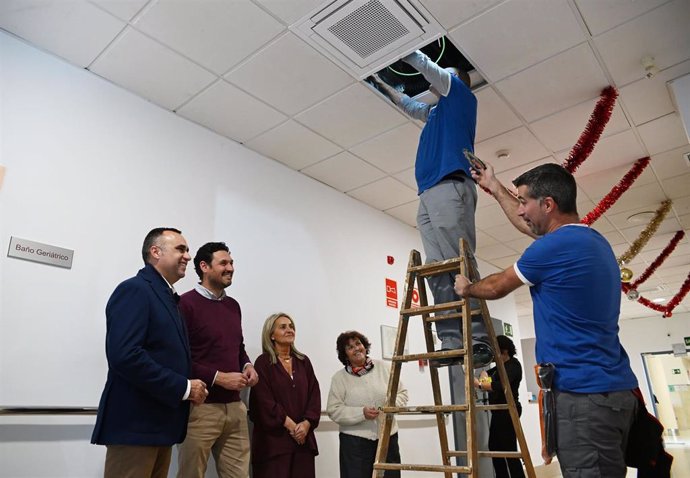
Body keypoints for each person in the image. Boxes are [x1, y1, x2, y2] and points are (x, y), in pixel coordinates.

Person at [454, 163, 638, 477]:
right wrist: (495, 187)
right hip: (613, 392)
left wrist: (468, 288)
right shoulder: (593, 243)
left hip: (584, 398)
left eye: (524, 201)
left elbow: (498, 285)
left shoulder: (552, 248)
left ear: (548, 204)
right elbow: (533, 227)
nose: (521, 210)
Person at [371, 50, 480, 360]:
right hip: (430, 191)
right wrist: (379, 82)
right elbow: (407, 104)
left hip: (450, 184)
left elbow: (430, 69)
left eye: (447, 75)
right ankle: (449, 338)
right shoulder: (436, 114)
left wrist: (406, 51)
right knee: (436, 268)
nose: (438, 80)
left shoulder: (461, 98)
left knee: (458, 261)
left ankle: (478, 338)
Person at [91, 227, 208, 478]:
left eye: (187, 250)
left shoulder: (167, 297)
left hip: (158, 426)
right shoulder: (135, 290)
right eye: (180, 249)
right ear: (155, 252)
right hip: (136, 427)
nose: (187, 256)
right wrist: (184, 387)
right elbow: (125, 355)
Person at [176, 242, 259, 478]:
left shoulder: (233, 306)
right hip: (199, 408)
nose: (230, 267)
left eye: (231, 262)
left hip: (235, 409)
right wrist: (218, 378)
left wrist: (248, 365)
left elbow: (238, 347)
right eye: (223, 263)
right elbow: (179, 358)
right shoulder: (184, 304)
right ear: (204, 266)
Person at [327, 331, 409, 478]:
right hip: (354, 444)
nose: (356, 348)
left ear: (365, 346)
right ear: (345, 354)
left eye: (358, 343)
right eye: (350, 347)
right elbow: (334, 410)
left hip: (388, 438)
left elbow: (402, 393)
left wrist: (390, 406)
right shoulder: (339, 378)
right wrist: (361, 413)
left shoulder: (384, 368)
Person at [249, 313, 321, 478]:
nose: (289, 330)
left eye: (291, 326)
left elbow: (314, 395)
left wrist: (306, 424)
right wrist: (291, 426)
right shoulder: (263, 362)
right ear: (271, 335)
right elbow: (263, 401)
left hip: (303, 442)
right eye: (283, 327)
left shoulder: (304, 362)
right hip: (274, 445)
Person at [475, 335, 525, 478]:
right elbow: (487, 375)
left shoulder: (514, 366)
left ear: (504, 351)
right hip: (498, 411)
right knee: (495, 448)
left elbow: (500, 385)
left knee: (509, 451)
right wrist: (484, 377)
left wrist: (480, 384)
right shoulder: (500, 367)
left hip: (509, 411)